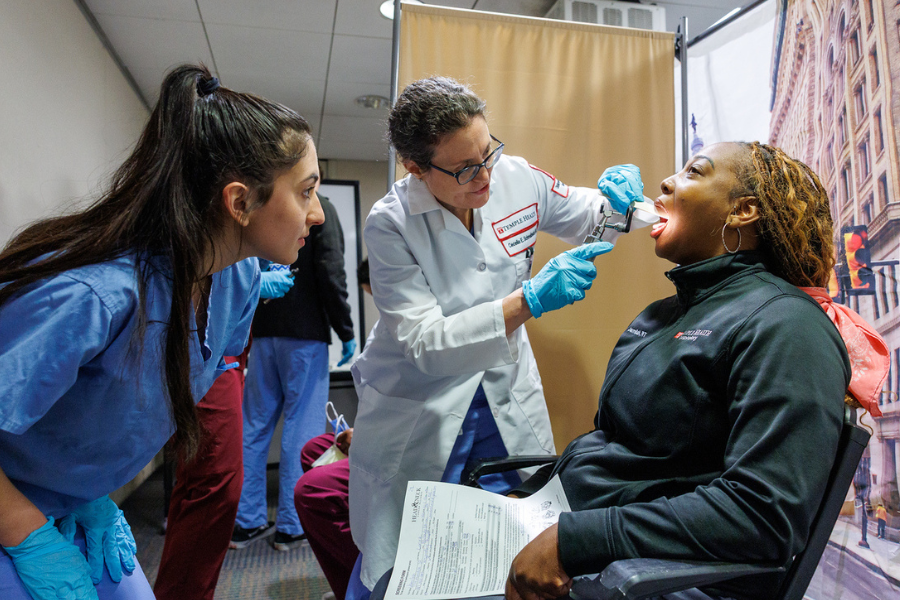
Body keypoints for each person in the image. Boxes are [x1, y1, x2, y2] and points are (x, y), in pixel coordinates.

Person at [0, 63, 325, 600]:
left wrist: (86, 491)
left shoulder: (238, 280)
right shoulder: (94, 297)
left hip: (65, 499)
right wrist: (25, 532)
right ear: (239, 202)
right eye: (307, 191)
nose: (317, 215)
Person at [502, 142, 869, 600]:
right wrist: (528, 498)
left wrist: (575, 542)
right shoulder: (661, 315)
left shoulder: (787, 325)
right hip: (561, 533)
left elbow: (763, 514)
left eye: (694, 172)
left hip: (641, 580)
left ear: (743, 211)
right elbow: (612, 447)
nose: (666, 182)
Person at [348, 76, 650, 592]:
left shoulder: (516, 177)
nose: (485, 174)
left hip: (504, 396)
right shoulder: (391, 223)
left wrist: (625, 205)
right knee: (407, 565)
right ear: (415, 167)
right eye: (465, 168)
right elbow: (425, 343)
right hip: (423, 407)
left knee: (514, 546)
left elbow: (593, 217)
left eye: (488, 151)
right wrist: (527, 300)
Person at [154, 269, 295, 600]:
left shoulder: (242, 267)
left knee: (203, 481)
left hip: (221, 349)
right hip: (209, 351)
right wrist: (253, 283)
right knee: (216, 482)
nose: (315, 216)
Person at [233, 194, 356, 551]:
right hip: (305, 336)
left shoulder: (266, 204)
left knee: (254, 427)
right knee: (302, 427)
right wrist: (346, 331)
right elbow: (331, 272)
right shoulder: (321, 209)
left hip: (262, 333)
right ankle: (292, 525)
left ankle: (247, 521)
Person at [294, 259, 370, 600]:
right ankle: (347, 585)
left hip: (407, 449)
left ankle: (372, 583)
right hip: (385, 435)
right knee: (314, 450)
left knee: (313, 490)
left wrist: (365, 438)